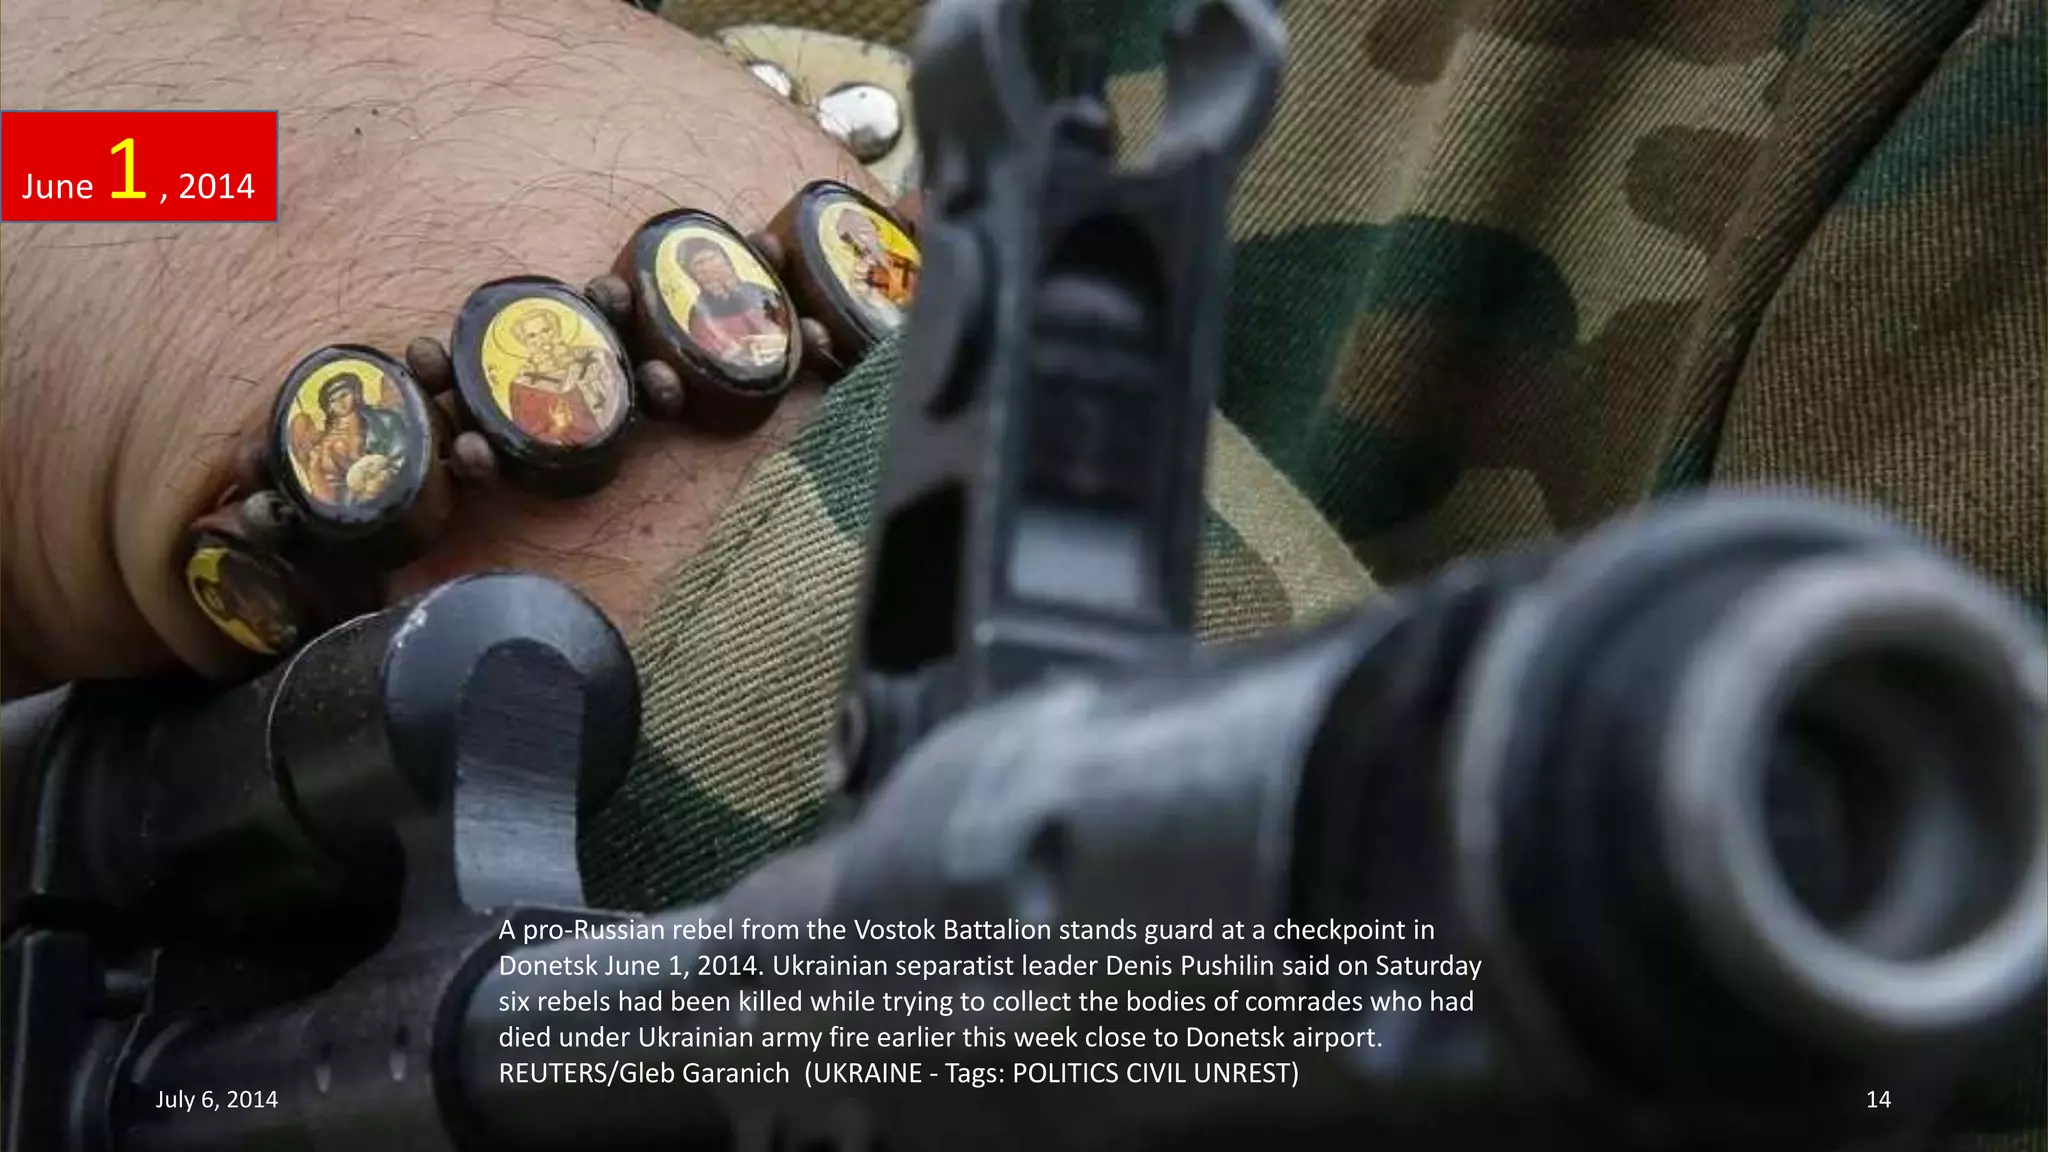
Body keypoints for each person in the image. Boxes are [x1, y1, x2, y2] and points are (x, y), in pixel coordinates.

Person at [287, 372, 408, 507]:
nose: (340, 403)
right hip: (350, 504)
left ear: (356, 395)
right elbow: (326, 489)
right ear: (328, 408)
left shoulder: (385, 420)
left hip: (389, 489)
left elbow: (403, 456)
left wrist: (381, 478)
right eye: (333, 400)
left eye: (344, 395)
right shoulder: (324, 442)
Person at [503, 306, 617, 445]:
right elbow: (530, 438)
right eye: (532, 336)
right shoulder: (523, 386)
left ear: (556, 331)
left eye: (546, 330)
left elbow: (616, 394)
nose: (542, 340)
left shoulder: (595, 356)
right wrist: (558, 428)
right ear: (525, 342)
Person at [676, 236, 790, 367]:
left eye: (713, 258)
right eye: (700, 263)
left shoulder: (760, 292)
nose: (711, 267)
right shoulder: (699, 317)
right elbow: (713, 358)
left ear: (727, 262)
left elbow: (784, 324)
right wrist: (743, 350)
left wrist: (774, 338)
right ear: (693, 275)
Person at [835, 208, 918, 320]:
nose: (859, 239)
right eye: (848, 237)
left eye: (863, 230)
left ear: (875, 227)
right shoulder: (862, 278)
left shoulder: (905, 255)